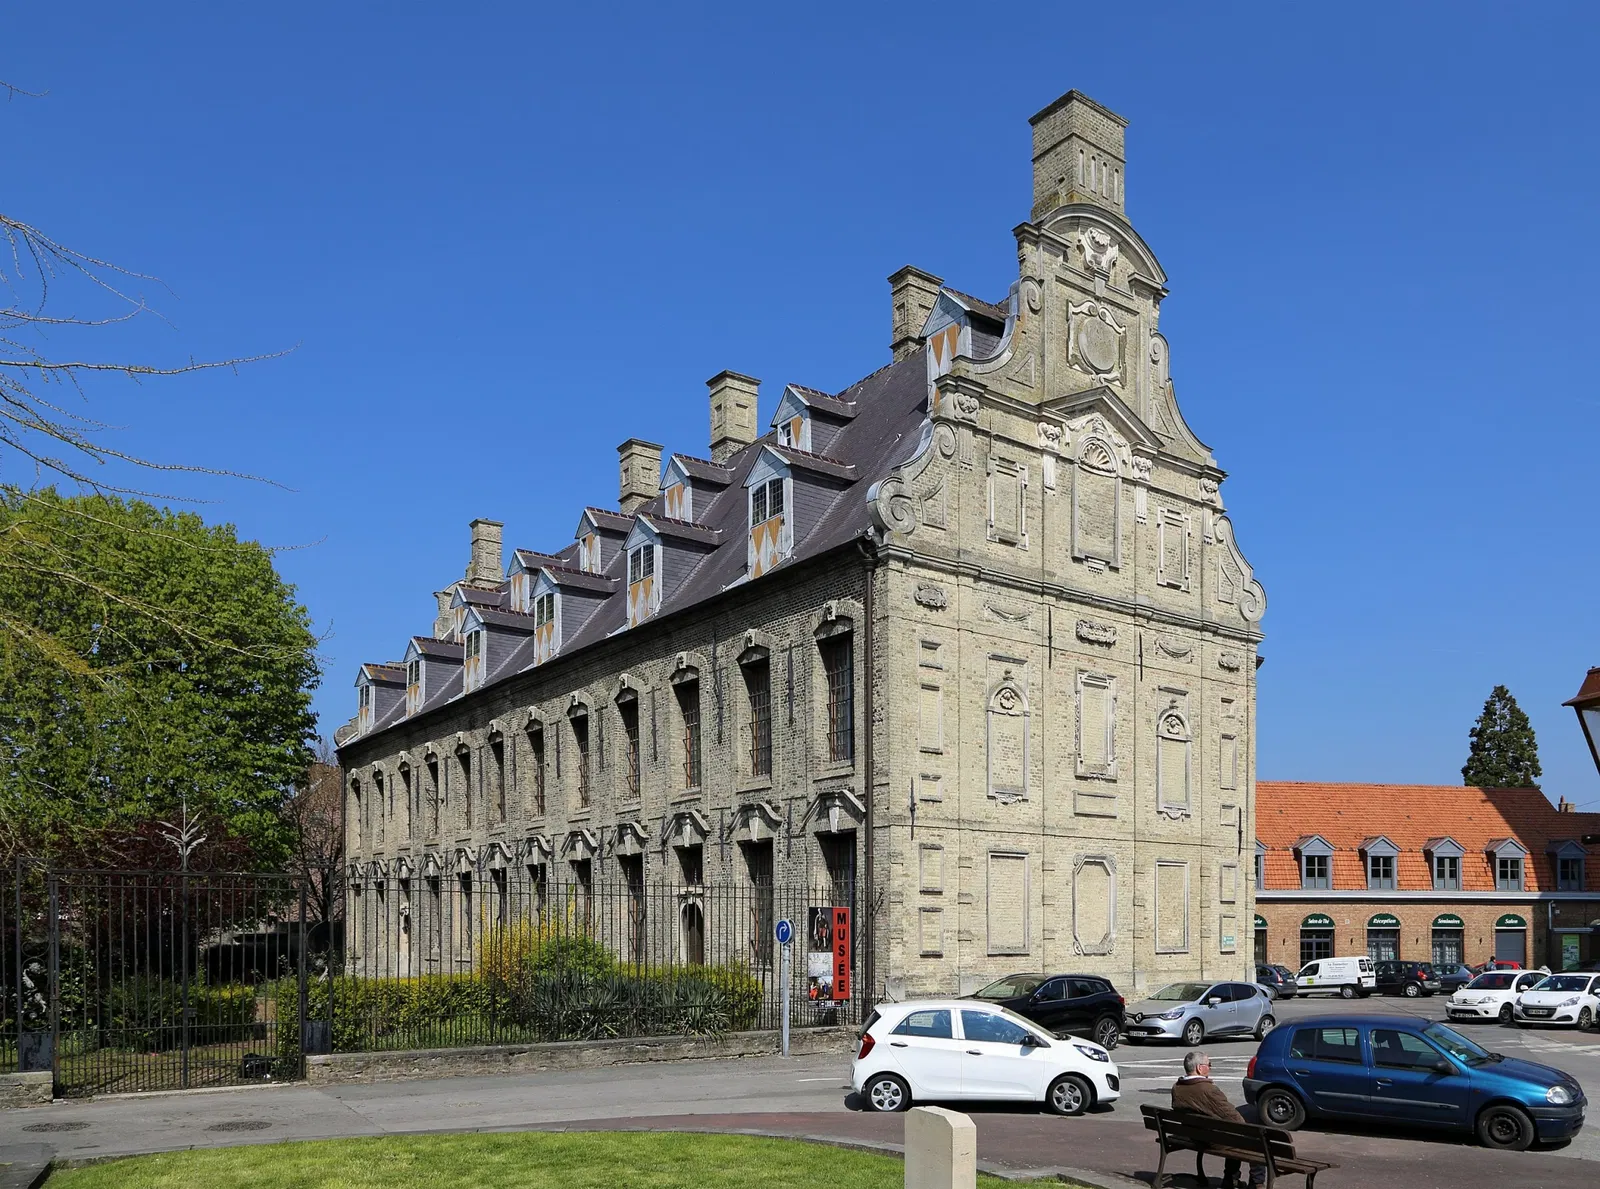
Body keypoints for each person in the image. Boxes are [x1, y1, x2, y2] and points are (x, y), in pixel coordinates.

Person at [1171, 1050, 1264, 1188]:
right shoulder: (1208, 1089)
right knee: (1254, 1135)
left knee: (1248, 1112)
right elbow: (1236, 1121)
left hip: (1195, 1135)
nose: (1210, 1067)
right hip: (1214, 1140)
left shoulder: (1177, 1088)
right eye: (1209, 1064)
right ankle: (1256, 1183)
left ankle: (1230, 1178)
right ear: (1199, 1068)